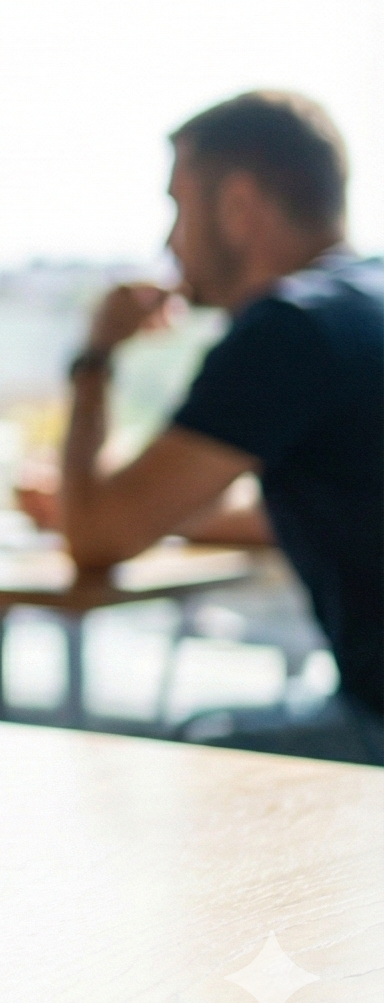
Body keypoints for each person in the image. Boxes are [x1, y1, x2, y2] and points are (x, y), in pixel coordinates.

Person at [39, 91, 379, 765]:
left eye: (177, 206)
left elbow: (95, 537)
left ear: (239, 207)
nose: (169, 242)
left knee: (201, 750)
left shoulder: (289, 328)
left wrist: (96, 357)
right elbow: (323, 505)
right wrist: (162, 508)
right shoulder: (360, 306)